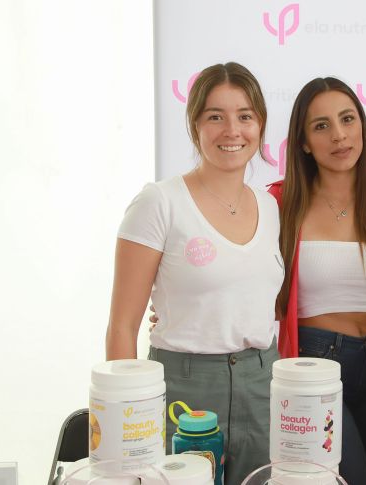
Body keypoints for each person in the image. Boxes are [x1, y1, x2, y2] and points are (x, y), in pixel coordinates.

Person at [105, 62, 284, 485]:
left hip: (262, 382)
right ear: (195, 125)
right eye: (215, 116)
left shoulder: (271, 206)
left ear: (260, 125)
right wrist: (126, 423)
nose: (232, 130)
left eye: (245, 116)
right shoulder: (159, 202)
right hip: (185, 388)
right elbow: (122, 325)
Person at [267, 77, 366, 484]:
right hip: (314, 362)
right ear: (304, 142)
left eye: (348, 119)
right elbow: (239, 271)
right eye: (321, 125)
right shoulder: (278, 203)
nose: (339, 135)